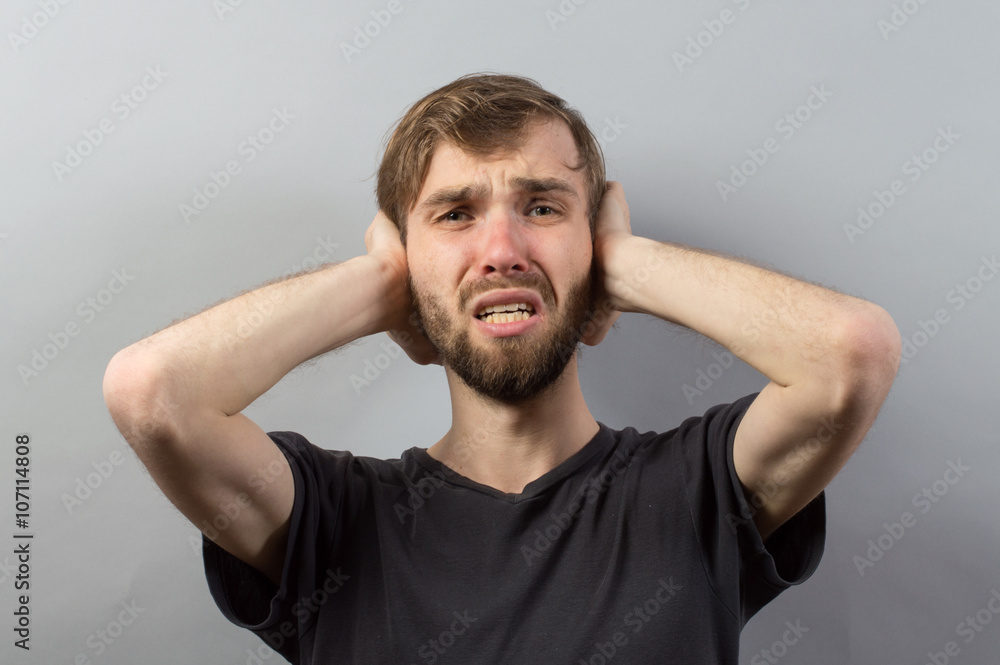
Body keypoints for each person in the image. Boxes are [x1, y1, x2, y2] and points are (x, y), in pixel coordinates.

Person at [102, 73, 901, 664]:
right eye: (454, 214)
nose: (503, 252)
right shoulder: (328, 518)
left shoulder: (698, 489)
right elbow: (152, 393)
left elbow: (851, 352)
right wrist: (388, 287)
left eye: (544, 207)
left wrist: (623, 264)